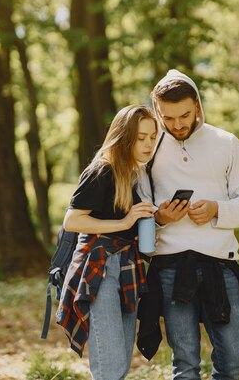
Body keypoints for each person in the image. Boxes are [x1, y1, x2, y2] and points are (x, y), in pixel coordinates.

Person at [136, 70, 239, 380]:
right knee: (184, 365)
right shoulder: (148, 147)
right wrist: (160, 217)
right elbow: (138, 211)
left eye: (184, 114)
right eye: (168, 118)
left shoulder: (226, 143)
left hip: (220, 265)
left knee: (231, 362)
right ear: (158, 111)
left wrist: (216, 210)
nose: (178, 124)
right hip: (170, 266)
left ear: (197, 105)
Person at [56, 104, 157, 380]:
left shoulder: (138, 173)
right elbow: (72, 220)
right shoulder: (103, 169)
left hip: (127, 267)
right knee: (110, 365)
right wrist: (123, 224)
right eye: (141, 138)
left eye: (152, 137)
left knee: (121, 361)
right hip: (99, 268)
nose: (148, 144)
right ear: (125, 137)